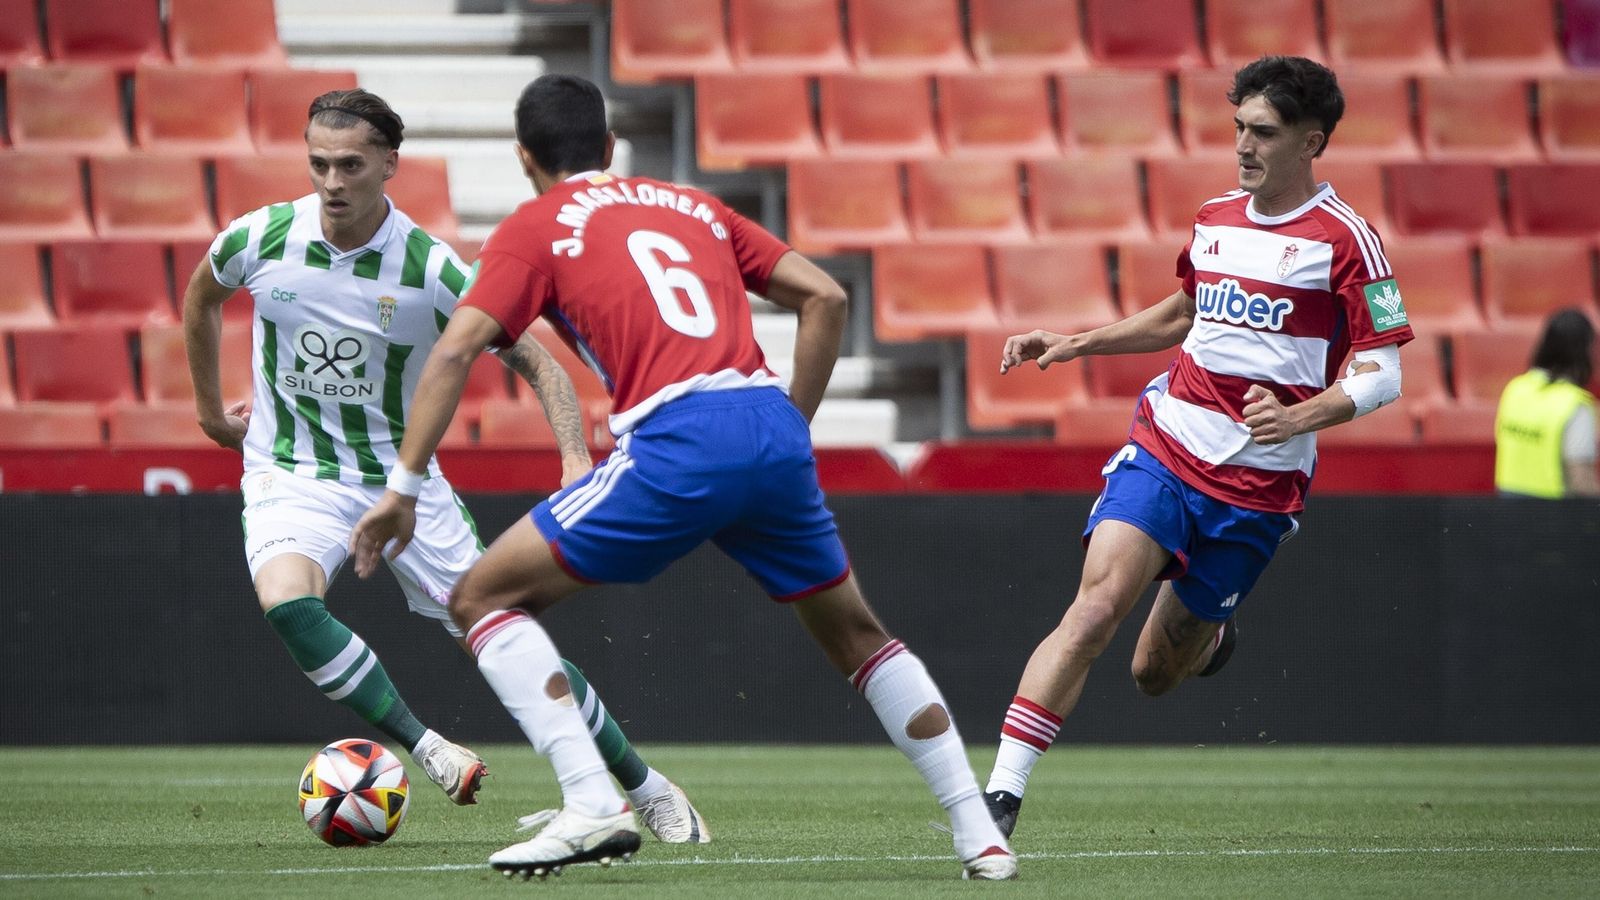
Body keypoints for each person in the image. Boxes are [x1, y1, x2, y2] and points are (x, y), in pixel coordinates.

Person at [348, 73, 1017, 881]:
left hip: (675, 436)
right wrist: (789, 431)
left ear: (525, 158)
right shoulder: (692, 205)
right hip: (766, 425)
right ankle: (980, 837)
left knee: (481, 597)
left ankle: (592, 802)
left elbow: (457, 349)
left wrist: (404, 487)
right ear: (610, 149)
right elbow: (827, 298)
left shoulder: (536, 225)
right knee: (859, 635)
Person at [182, 87, 709, 843]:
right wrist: (207, 412)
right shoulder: (259, 238)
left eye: (351, 165)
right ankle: (425, 746)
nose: (332, 182)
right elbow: (202, 298)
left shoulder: (430, 267)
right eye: (319, 164)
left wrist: (571, 455)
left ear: (389, 165)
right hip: (290, 468)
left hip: (403, 485)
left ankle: (645, 786)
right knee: (287, 602)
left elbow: (544, 365)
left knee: (508, 636)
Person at [980, 55, 1413, 838]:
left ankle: (1208, 637)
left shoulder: (1351, 244)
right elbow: (1184, 314)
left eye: (1265, 132)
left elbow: (1384, 374)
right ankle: (998, 802)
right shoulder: (1215, 219)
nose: (1244, 146)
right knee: (1094, 610)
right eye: (1239, 128)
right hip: (1169, 441)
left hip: (1258, 485)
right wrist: (1076, 342)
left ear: (1312, 141)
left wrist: (1301, 417)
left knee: (1153, 674)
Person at [1495, 309, 1599, 498]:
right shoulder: (1575, 405)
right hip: (1554, 517)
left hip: (1508, 514)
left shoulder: (1515, 389)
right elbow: (1581, 480)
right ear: (1584, 352)